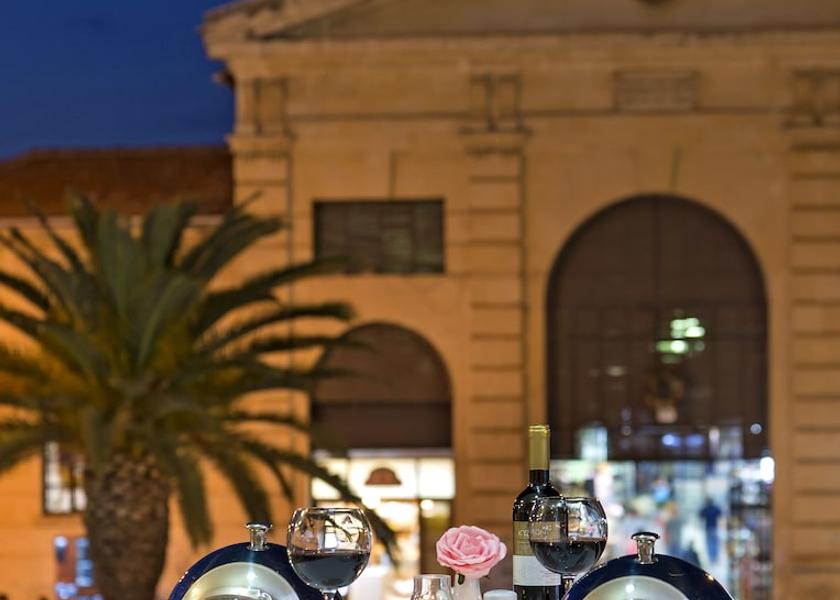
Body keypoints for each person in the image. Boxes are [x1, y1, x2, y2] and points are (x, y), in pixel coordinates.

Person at [699, 497, 723, 563]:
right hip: (715, 528)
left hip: (708, 528)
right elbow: (720, 514)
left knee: (709, 544)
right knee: (715, 543)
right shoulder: (715, 508)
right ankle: (715, 557)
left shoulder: (706, 508)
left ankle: (711, 558)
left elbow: (700, 515)